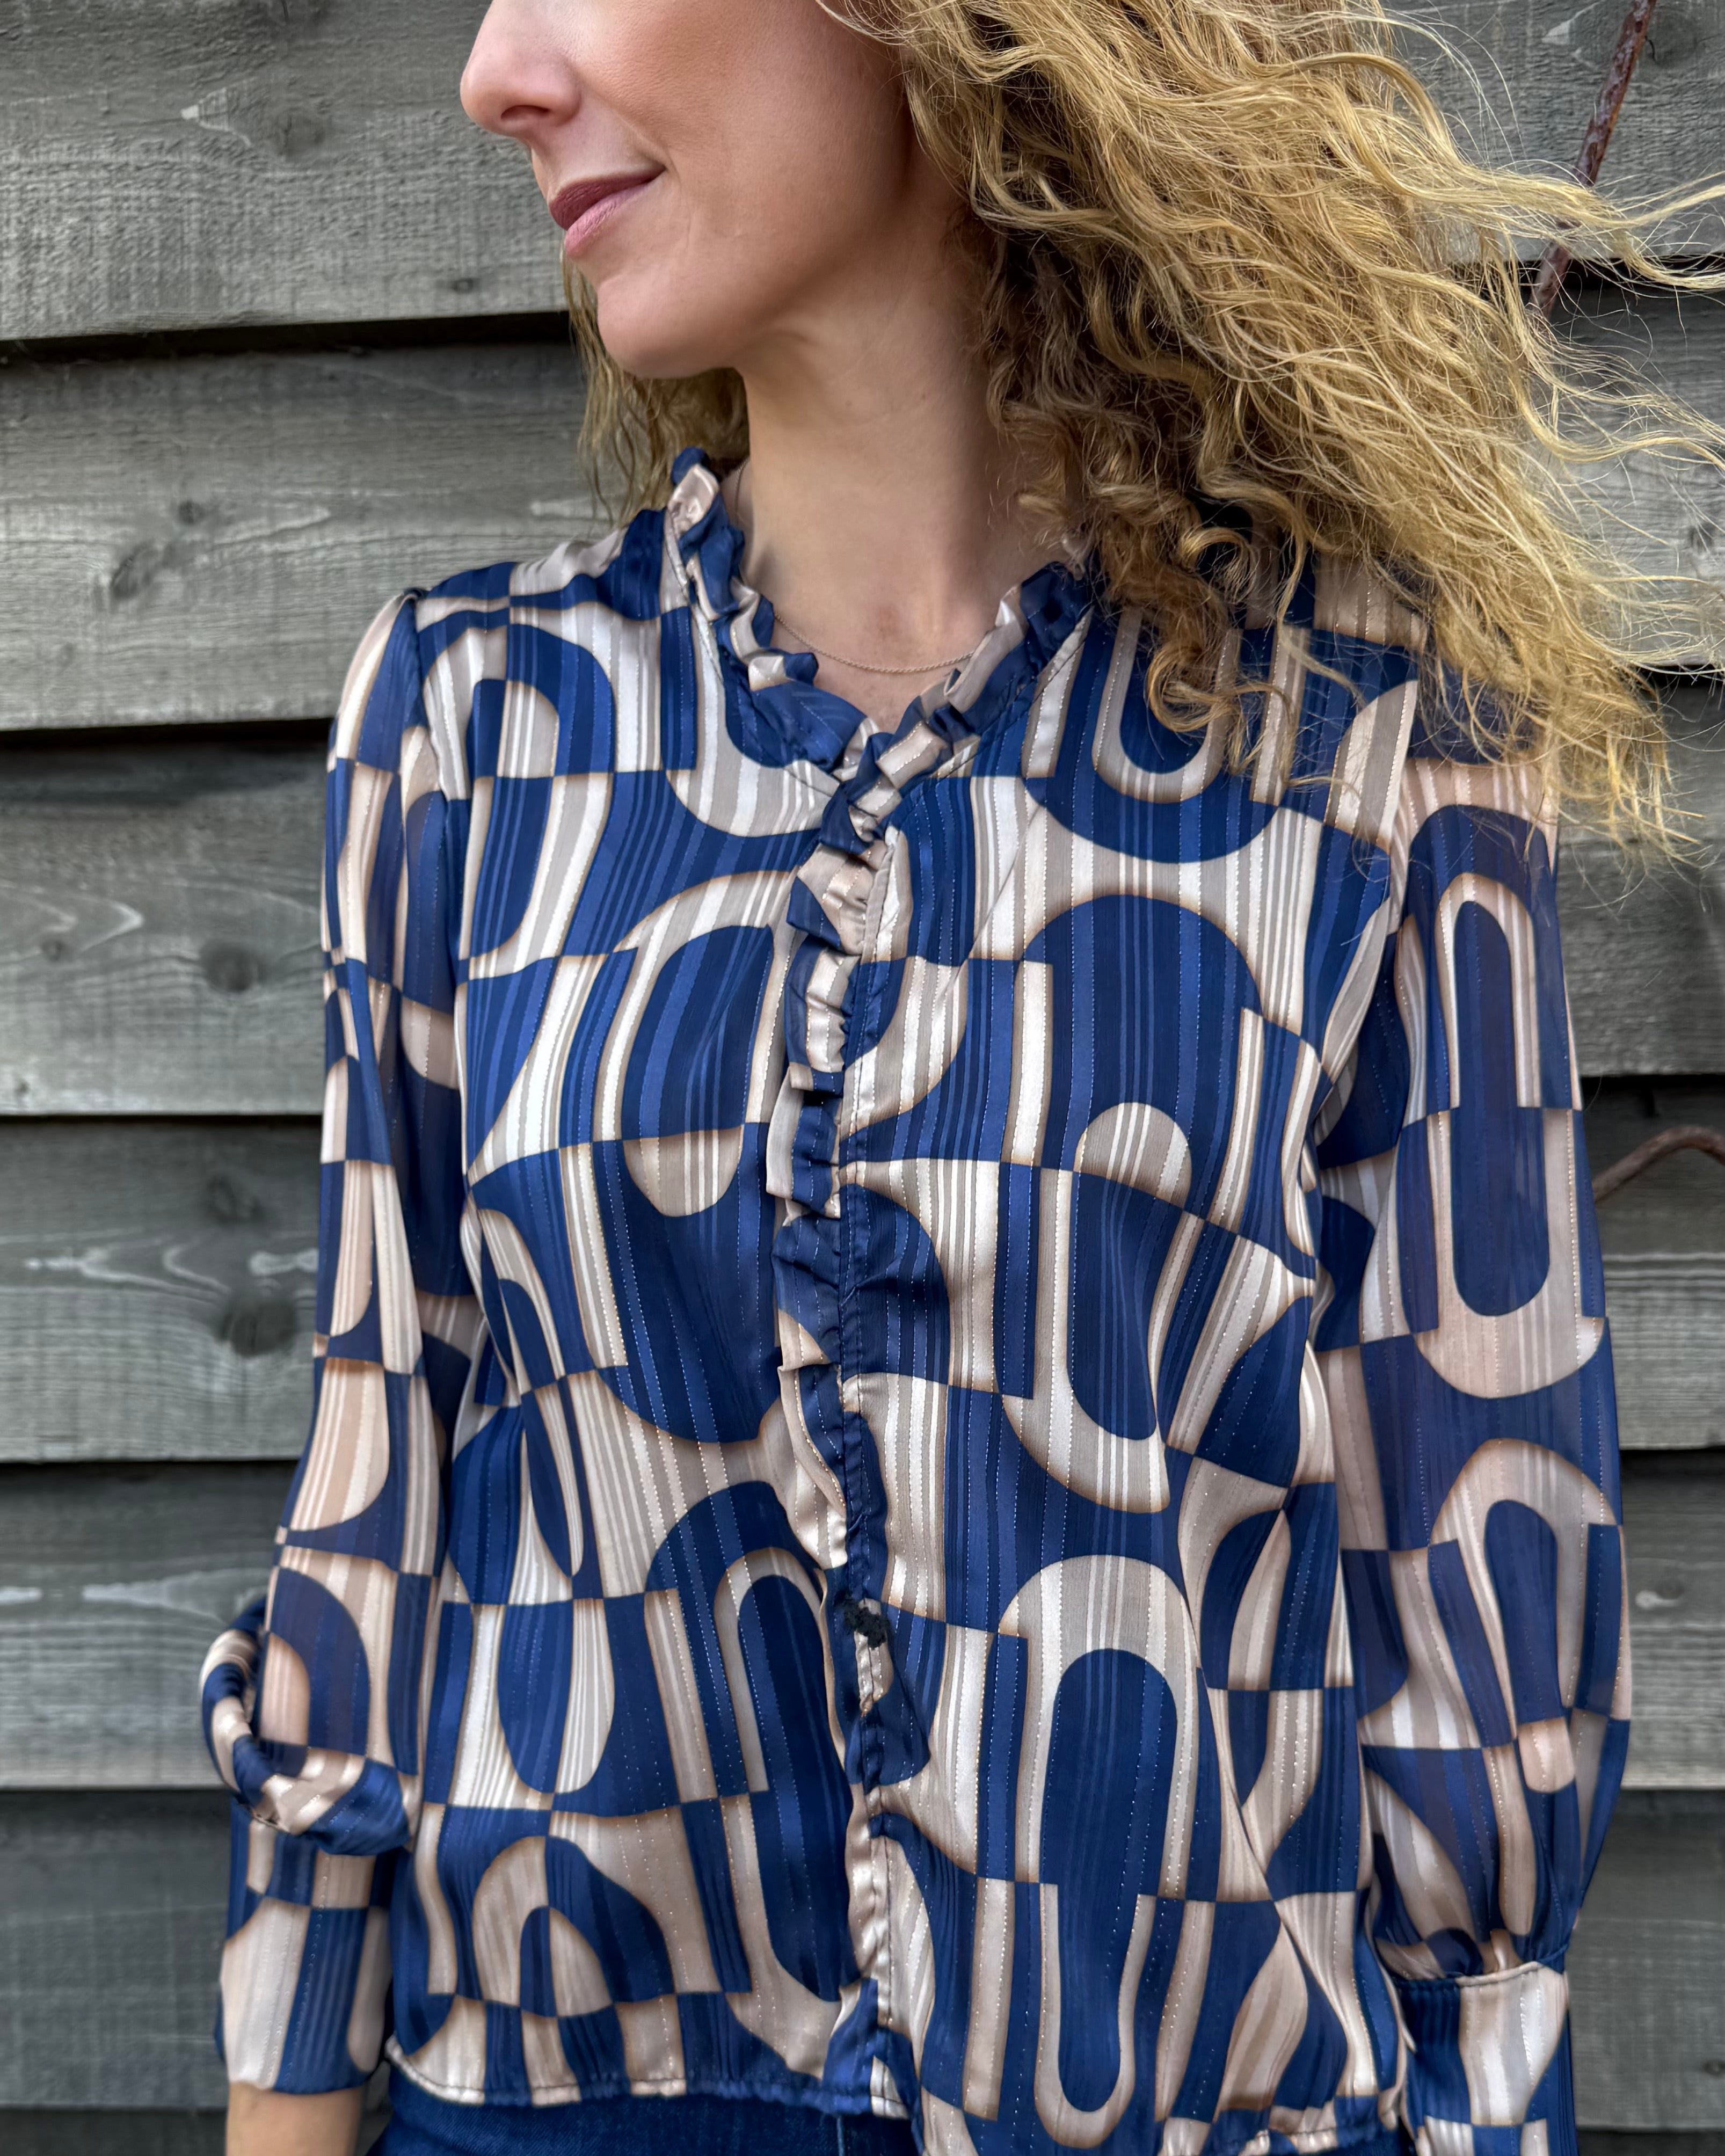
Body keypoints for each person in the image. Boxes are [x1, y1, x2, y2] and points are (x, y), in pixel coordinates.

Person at [200, 1, 1722, 2152]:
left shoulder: (1368, 728)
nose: (496, 72)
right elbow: (377, 1504)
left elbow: (1487, 1635)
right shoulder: (476, 721)